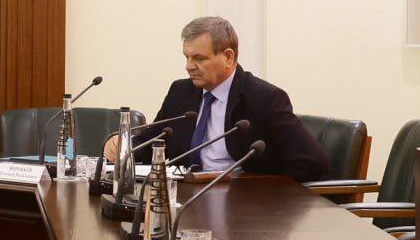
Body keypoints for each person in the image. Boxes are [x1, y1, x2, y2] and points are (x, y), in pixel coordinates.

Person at [104, 17, 328, 183]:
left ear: (228, 57)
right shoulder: (181, 92)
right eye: (187, 57)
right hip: (185, 199)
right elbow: (153, 141)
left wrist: (258, 190)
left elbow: (312, 162)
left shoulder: (264, 98)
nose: (189, 66)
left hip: (241, 209)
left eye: (199, 58)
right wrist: (122, 146)